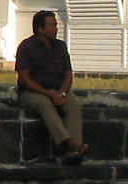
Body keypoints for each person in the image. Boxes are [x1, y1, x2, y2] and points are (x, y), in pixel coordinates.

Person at [14, 10, 85, 162]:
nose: (56, 28)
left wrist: (62, 94)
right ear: (41, 29)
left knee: (74, 105)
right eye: (52, 25)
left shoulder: (60, 46)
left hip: (59, 90)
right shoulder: (27, 47)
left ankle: (73, 151)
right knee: (45, 104)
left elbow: (67, 74)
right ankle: (68, 143)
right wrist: (48, 94)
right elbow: (25, 78)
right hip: (34, 91)